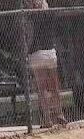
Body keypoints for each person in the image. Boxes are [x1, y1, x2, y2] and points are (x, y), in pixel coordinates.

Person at [25, 0, 67, 128]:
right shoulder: (49, 14)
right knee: (54, 86)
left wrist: (26, 51)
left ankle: (47, 119)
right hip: (49, 52)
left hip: (37, 53)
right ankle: (60, 114)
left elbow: (29, 36)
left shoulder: (29, 16)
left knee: (42, 88)